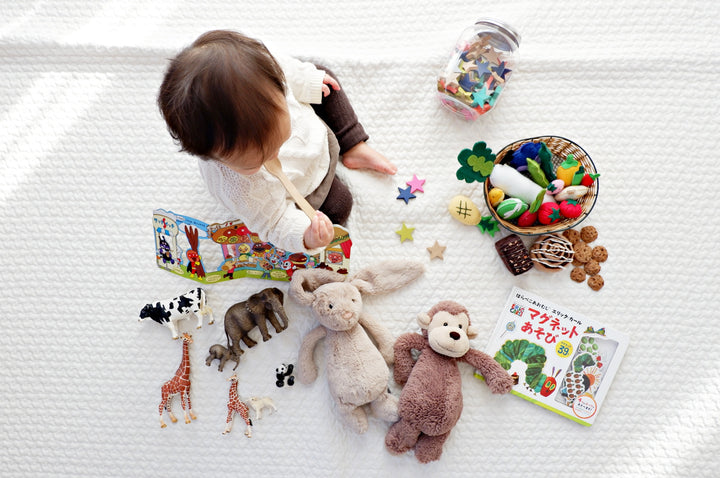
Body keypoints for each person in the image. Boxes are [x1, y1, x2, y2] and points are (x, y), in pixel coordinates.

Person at [157, 30, 396, 253]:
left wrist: (307, 81)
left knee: (324, 82)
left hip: (315, 134)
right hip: (302, 186)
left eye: (280, 140)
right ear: (211, 157)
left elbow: (289, 71)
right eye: (256, 162)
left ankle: (353, 145)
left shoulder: (266, 71)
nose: (275, 156)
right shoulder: (240, 189)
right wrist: (306, 236)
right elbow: (274, 223)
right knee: (339, 206)